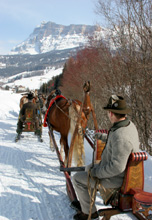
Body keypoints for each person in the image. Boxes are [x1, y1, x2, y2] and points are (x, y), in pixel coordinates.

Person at [71, 95, 140, 220]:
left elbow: (117, 167)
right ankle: (86, 203)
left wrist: (96, 172)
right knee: (88, 169)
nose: (108, 114)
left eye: (109, 112)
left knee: (77, 179)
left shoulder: (121, 137)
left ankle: (89, 213)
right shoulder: (127, 125)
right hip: (115, 172)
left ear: (112, 114)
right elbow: (116, 141)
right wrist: (102, 137)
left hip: (115, 180)